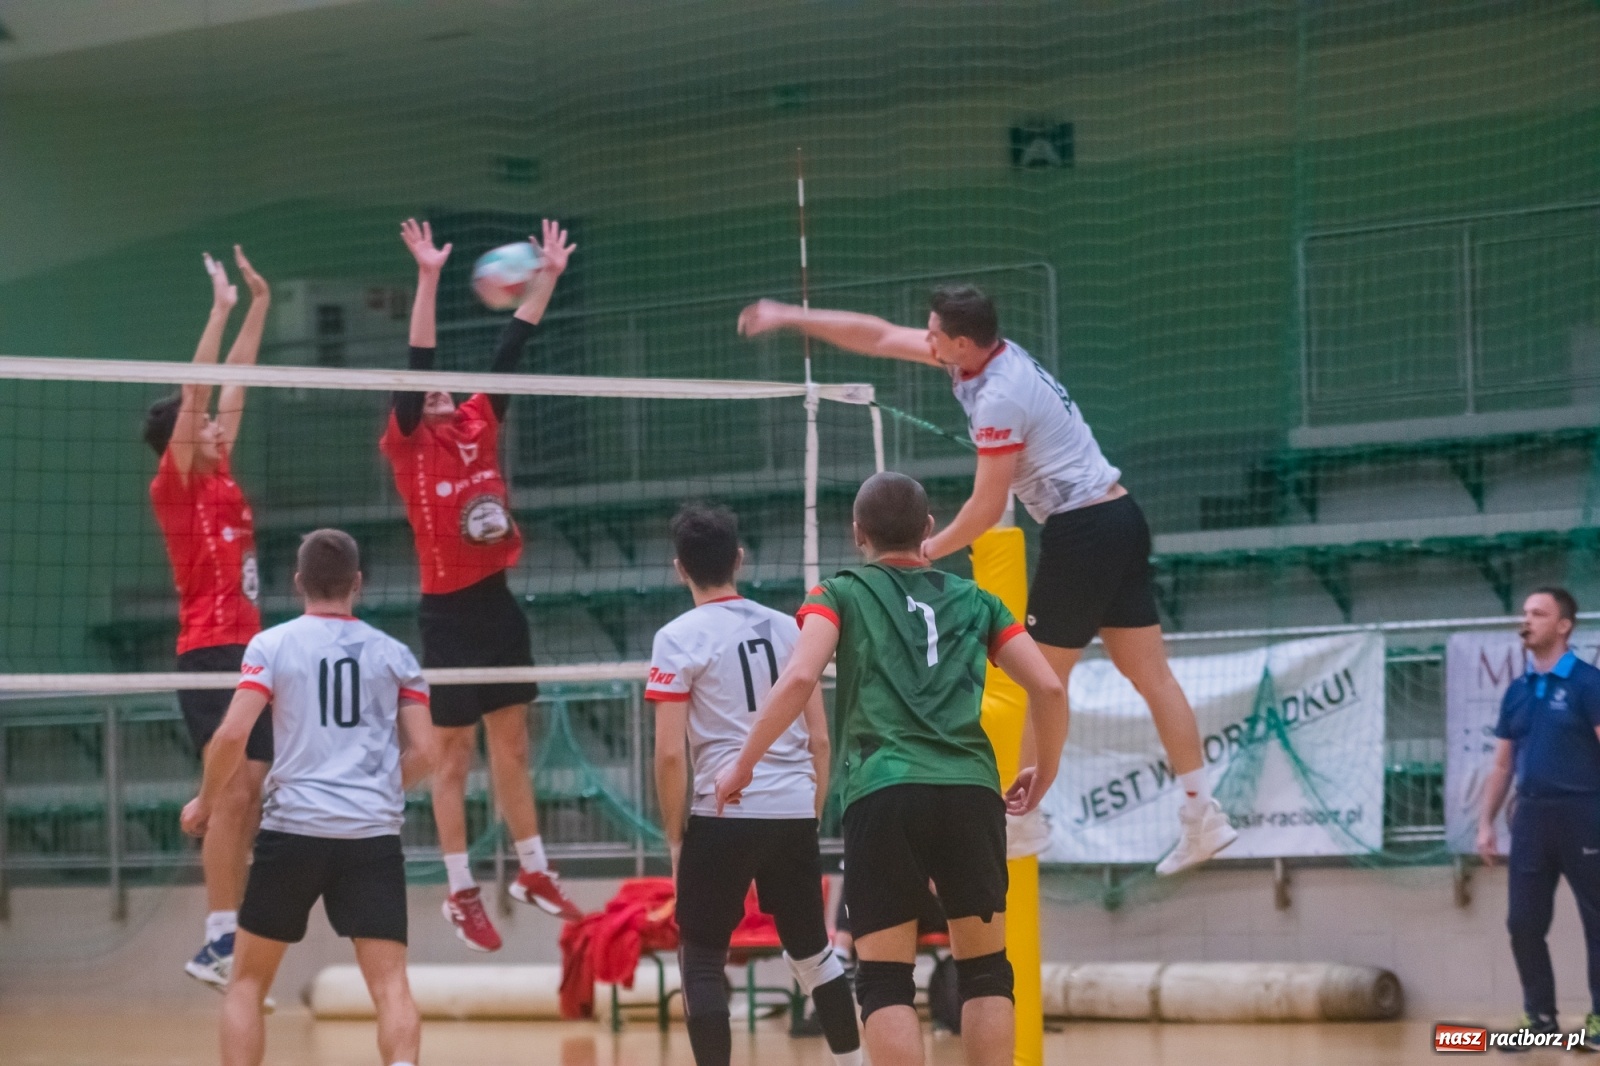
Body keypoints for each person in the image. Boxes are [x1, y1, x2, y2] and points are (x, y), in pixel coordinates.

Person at [736, 288, 1234, 876]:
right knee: (1151, 676)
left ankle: (1024, 821)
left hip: (1083, 531)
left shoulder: (1000, 397)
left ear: (963, 343)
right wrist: (790, 316)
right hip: (1119, 517)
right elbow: (878, 336)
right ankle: (1203, 814)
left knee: (1039, 679)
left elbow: (986, 508)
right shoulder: (986, 356)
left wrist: (924, 550)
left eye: (935, 334)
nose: (926, 340)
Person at [714, 471, 1069, 1066]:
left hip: (883, 790)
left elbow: (799, 677)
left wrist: (743, 765)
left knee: (884, 980)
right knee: (986, 971)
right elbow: (1049, 689)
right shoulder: (978, 600)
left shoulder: (838, 592)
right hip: (969, 791)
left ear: (858, 533)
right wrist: (1044, 769)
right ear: (928, 529)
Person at [382, 218, 582, 951]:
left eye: (443, 386)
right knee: (453, 758)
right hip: (447, 615)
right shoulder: (407, 443)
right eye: (426, 387)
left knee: (514, 746)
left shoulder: (475, 421)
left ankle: (533, 869)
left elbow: (512, 345)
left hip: (497, 602)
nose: (438, 389)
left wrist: (547, 278)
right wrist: (429, 276)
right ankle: (461, 891)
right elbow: (420, 356)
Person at [180, 529, 437, 1066]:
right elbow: (427, 752)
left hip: (294, 831)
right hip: (370, 837)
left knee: (246, 984)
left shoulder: (271, 645)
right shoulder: (396, 655)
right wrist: (378, 790)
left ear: (298, 582)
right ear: (357, 583)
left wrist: (205, 802)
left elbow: (231, 735)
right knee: (391, 986)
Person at [648, 503, 862, 1066]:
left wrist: (675, 839)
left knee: (701, 959)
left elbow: (669, 755)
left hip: (721, 813)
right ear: (739, 559)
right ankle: (852, 1062)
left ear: (679, 568)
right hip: (791, 809)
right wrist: (808, 812)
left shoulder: (676, 637)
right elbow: (820, 741)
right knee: (813, 953)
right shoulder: (791, 628)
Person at [146, 247, 274, 989]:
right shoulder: (178, 484)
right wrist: (219, 309)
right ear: (184, 440)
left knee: (250, 793)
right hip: (207, 652)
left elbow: (237, 383)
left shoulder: (220, 472)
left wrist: (259, 304)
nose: (222, 426)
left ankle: (232, 936)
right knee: (229, 794)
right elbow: (198, 392)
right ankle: (218, 938)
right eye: (205, 425)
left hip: (250, 652)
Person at [1478, 587, 1600, 1050]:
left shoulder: (1589, 684)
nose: (1526, 620)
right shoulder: (1518, 690)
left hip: (1585, 814)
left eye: (1538, 613)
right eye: (1525, 612)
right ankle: (1540, 1019)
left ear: (1563, 625)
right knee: (1523, 923)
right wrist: (1485, 822)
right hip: (1531, 818)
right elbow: (1502, 765)